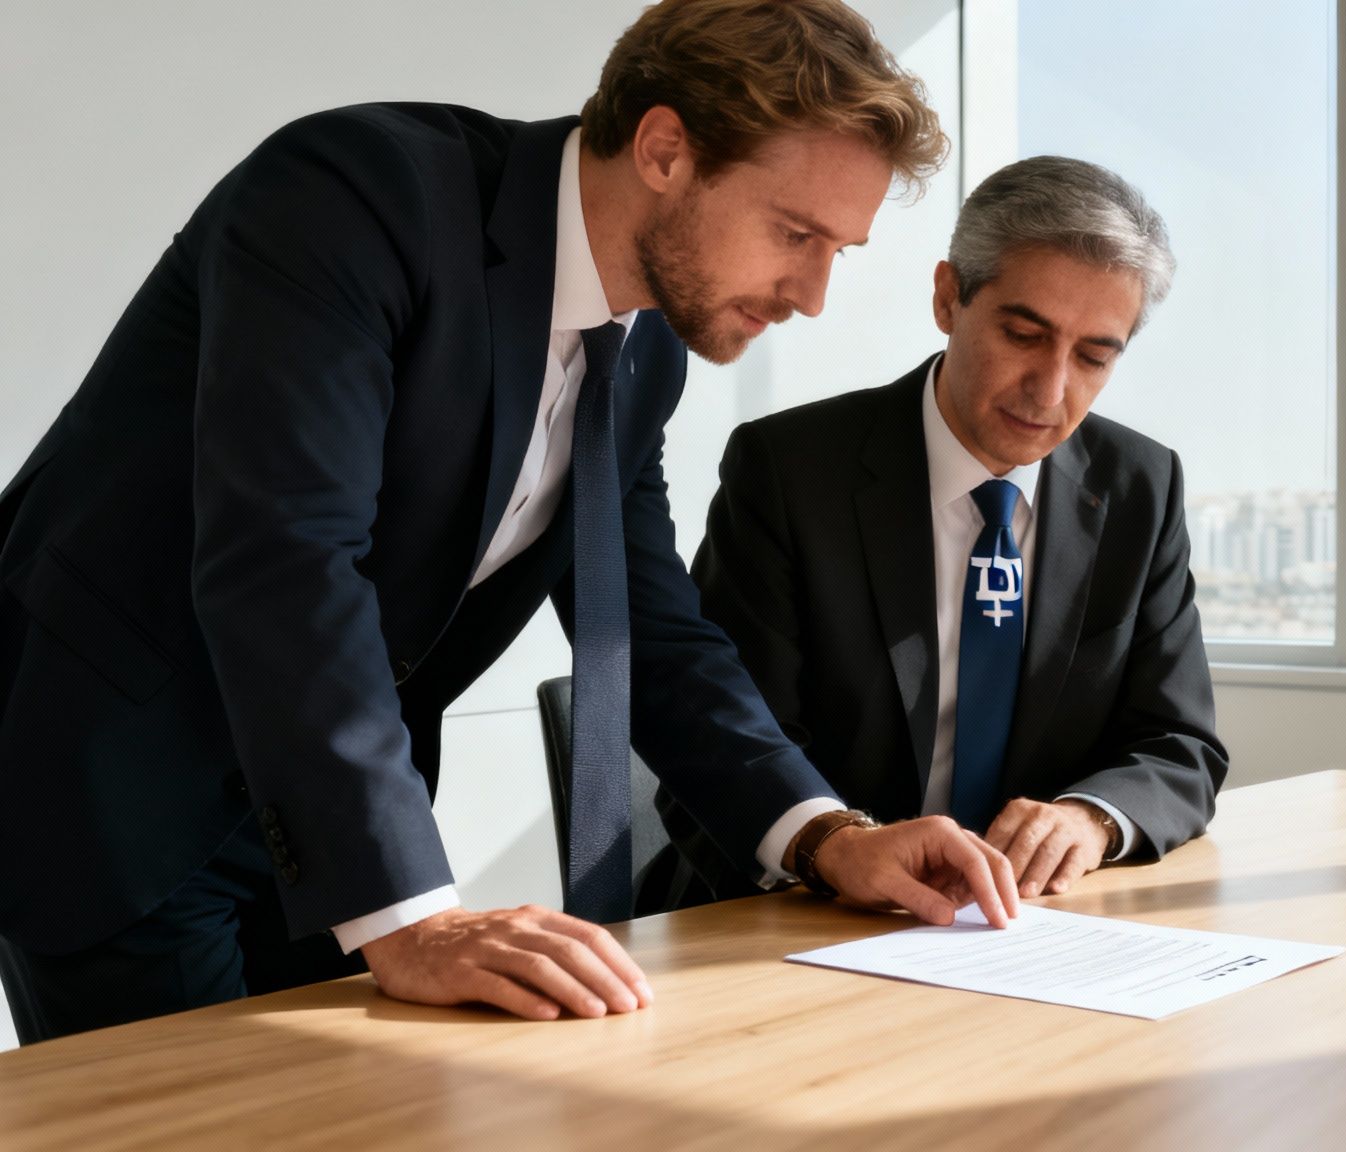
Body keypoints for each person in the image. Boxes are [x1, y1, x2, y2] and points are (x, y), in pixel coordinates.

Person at [0, 0, 1018, 1046]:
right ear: (665, 149)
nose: (808, 294)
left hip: (325, 821)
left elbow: (647, 632)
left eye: (835, 251)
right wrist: (411, 916)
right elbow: (287, 558)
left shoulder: (644, 355)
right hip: (123, 782)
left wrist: (825, 835)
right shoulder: (356, 195)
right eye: (793, 233)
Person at [649, 156, 1227, 912]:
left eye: (1092, 357)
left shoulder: (1138, 487)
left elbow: (1179, 746)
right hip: (803, 916)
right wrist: (837, 848)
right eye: (1024, 335)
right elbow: (721, 745)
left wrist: (1091, 820)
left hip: (1025, 931)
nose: (1051, 391)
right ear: (948, 298)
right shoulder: (791, 473)